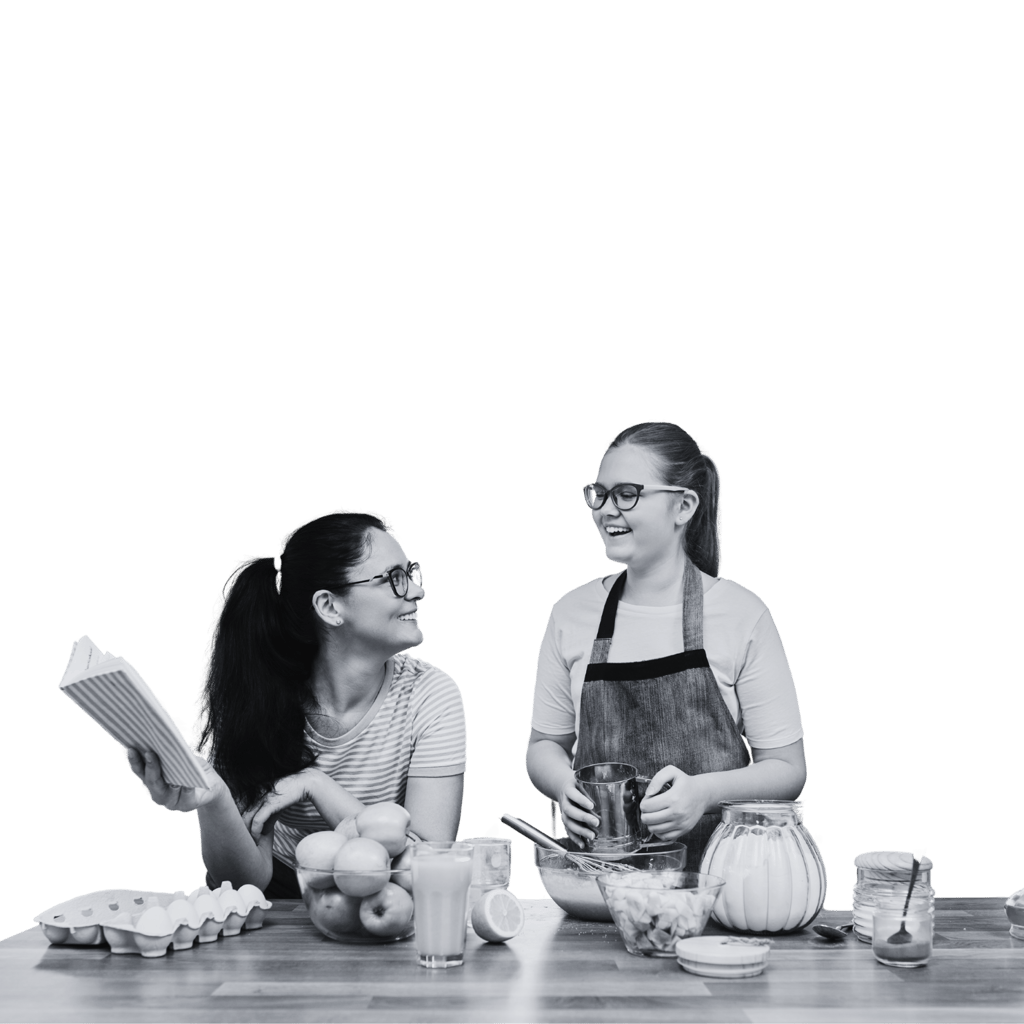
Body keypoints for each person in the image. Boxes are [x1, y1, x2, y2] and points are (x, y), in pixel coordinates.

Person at [124, 507, 467, 898]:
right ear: (329, 606)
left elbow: (426, 861)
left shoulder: (431, 695)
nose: (417, 590)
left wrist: (317, 785)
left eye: (411, 573)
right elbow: (240, 883)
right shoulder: (259, 693)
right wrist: (213, 797)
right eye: (394, 578)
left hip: (388, 897)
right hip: (280, 906)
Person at [525, 420, 806, 871]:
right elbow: (543, 745)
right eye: (599, 494)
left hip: (716, 890)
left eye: (627, 494)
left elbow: (787, 768)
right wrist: (563, 785)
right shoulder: (570, 613)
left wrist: (704, 793)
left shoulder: (742, 613)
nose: (605, 510)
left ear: (683, 506)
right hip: (598, 889)